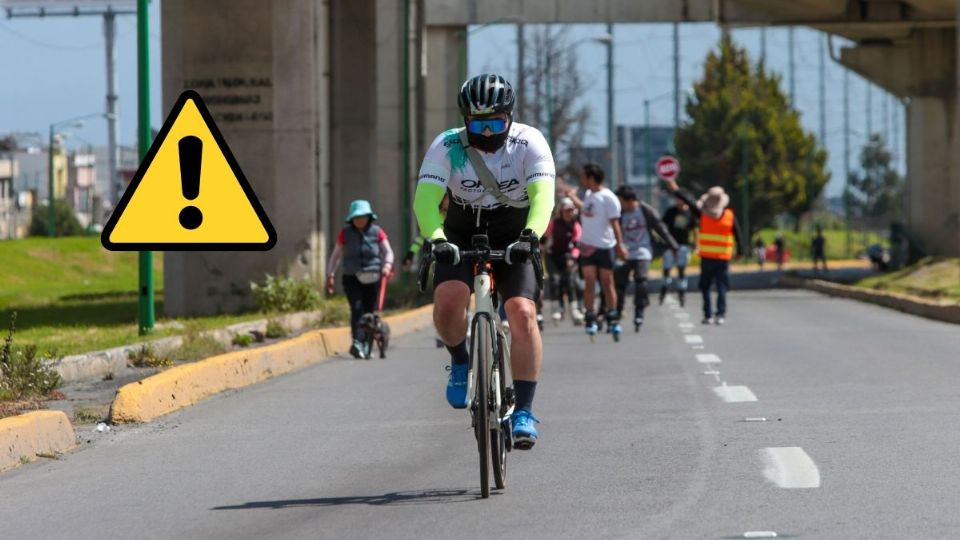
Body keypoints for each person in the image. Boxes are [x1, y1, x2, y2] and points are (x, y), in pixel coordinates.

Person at [413, 73, 555, 449]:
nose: (488, 132)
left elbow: (544, 197)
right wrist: (437, 239)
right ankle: (460, 360)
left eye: (496, 123)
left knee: (522, 313)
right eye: (478, 125)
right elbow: (425, 201)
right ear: (465, 121)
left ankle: (524, 410)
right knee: (449, 300)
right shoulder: (447, 145)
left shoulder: (529, 142)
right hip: (460, 232)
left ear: (510, 117)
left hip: (515, 233)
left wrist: (531, 236)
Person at [663, 180, 744, 325]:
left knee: (705, 287)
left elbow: (689, 201)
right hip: (723, 257)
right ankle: (720, 314)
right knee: (721, 287)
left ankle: (708, 315)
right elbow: (738, 234)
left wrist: (676, 189)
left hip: (707, 257)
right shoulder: (729, 216)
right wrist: (740, 251)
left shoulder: (702, 215)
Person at [325, 200, 394, 358]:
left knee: (369, 311)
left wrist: (387, 265)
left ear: (369, 217)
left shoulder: (377, 232)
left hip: (373, 277)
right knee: (356, 309)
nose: (360, 220)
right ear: (351, 218)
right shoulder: (345, 234)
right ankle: (357, 342)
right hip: (352, 277)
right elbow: (335, 256)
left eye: (363, 217)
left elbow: (388, 252)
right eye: (356, 217)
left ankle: (367, 344)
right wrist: (330, 274)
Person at [565, 163, 627, 337]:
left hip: (605, 246)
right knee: (589, 282)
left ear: (591, 178)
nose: (581, 179)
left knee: (607, 282)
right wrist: (572, 196)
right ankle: (590, 315)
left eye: (583, 176)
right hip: (587, 247)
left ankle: (612, 315)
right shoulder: (589, 195)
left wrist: (620, 246)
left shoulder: (609, 198)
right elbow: (585, 209)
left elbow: (615, 224)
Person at [614, 185, 678, 330]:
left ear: (629, 200)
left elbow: (661, 228)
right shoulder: (619, 213)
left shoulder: (645, 210)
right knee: (619, 284)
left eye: (621, 201)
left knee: (641, 281)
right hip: (624, 252)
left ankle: (639, 311)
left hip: (643, 251)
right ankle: (618, 310)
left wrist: (673, 246)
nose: (620, 204)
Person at [545, 197, 583, 324]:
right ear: (561, 211)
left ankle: (575, 311)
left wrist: (572, 258)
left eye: (571, 211)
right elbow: (544, 238)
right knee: (555, 281)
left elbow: (577, 245)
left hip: (568, 257)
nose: (569, 213)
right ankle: (556, 310)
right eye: (566, 211)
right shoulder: (554, 224)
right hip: (552, 256)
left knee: (570, 281)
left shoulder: (576, 225)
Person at [659, 194, 696, 307]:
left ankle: (682, 292)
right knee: (667, 268)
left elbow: (694, 229)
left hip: (683, 245)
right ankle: (664, 288)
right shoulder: (671, 211)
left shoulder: (690, 213)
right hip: (670, 245)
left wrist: (695, 244)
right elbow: (662, 226)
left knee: (681, 269)